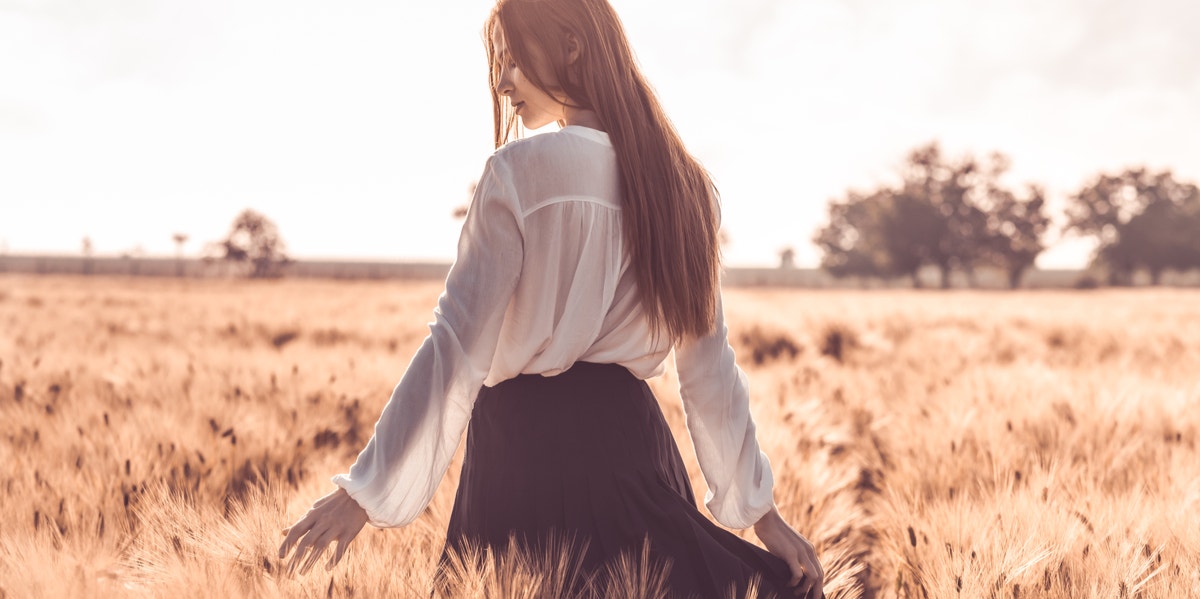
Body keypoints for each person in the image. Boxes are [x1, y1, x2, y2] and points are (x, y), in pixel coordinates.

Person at [279, 0, 825, 596]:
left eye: (514, 59)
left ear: (571, 46)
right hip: (634, 455)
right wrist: (761, 515)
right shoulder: (685, 185)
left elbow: (456, 346)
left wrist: (365, 493)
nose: (502, 80)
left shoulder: (519, 172)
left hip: (521, 459)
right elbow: (709, 369)